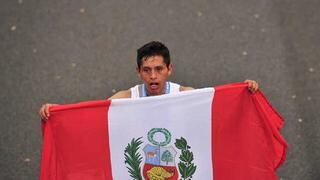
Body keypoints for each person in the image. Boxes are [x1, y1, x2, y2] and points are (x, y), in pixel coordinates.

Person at [39, 41, 259, 120]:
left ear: (169, 69)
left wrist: (243, 93)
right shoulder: (126, 98)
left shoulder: (186, 95)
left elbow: (221, 110)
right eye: (147, 70)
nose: (153, 76)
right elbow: (91, 115)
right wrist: (59, 112)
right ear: (138, 72)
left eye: (158, 69)